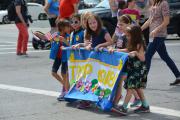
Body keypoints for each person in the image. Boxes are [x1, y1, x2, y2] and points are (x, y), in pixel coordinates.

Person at [74, 14, 113, 109]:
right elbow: (89, 44)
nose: (92, 25)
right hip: (93, 61)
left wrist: (100, 45)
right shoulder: (89, 32)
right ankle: (87, 99)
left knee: (102, 81)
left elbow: (110, 42)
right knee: (89, 79)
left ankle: (107, 98)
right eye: (90, 23)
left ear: (98, 22)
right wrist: (82, 45)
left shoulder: (103, 30)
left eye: (94, 22)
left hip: (103, 61)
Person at [141, 0, 180, 86]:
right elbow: (150, 20)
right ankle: (178, 75)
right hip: (153, 35)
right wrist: (140, 29)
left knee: (147, 55)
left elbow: (166, 21)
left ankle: (142, 80)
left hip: (159, 35)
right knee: (165, 57)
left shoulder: (164, 3)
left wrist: (156, 29)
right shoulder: (155, 4)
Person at [113, 25, 149, 115]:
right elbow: (127, 50)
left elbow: (142, 58)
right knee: (137, 88)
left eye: (129, 36)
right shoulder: (132, 43)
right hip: (132, 69)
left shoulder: (139, 44)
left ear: (135, 36)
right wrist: (117, 50)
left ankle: (124, 108)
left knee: (130, 88)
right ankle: (145, 106)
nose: (127, 37)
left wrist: (136, 53)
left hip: (138, 70)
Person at [109, 15, 142, 109]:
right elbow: (117, 46)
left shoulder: (128, 36)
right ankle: (138, 98)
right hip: (122, 62)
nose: (119, 26)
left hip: (128, 63)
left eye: (122, 24)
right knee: (127, 83)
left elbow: (128, 50)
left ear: (128, 25)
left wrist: (118, 51)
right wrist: (113, 48)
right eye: (118, 24)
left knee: (125, 82)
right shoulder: (120, 35)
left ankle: (121, 101)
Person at [51, 20, 71, 101]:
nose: (69, 28)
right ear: (63, 28)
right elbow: (45, 37)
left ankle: (65, 91)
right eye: (67, 27)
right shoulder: (56, 34)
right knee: (53, 73)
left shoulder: (69, 36)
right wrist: (38, 34)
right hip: (57, 57)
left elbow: (71, 45)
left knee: (64, 74)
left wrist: (64, 41)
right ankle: (66, 87)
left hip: (65, 57)